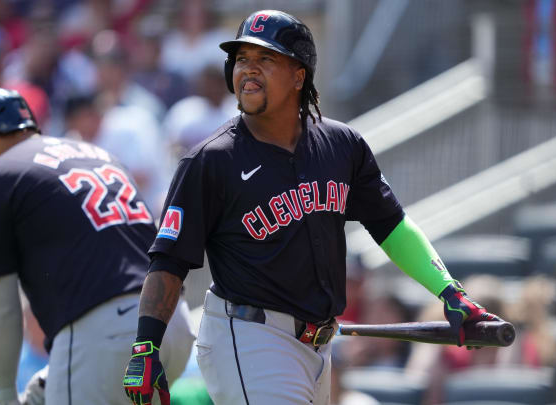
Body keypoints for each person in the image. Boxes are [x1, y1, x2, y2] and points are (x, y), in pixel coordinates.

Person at [123, 10, 502, 405]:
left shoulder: (342, 145)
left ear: (299, 75)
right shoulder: (211, 160)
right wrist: (146, 346)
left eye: (265, 59)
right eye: (241, 60)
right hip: (249, 336)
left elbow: (392, 227)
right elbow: (168, 261)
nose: (248, 71)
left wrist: (451, 294)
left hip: (319, 346)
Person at [0, 88, 194, 405]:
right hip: (172, 324)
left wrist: (6, 394)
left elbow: (1, 308)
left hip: (107, 336)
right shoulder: (96, 153)